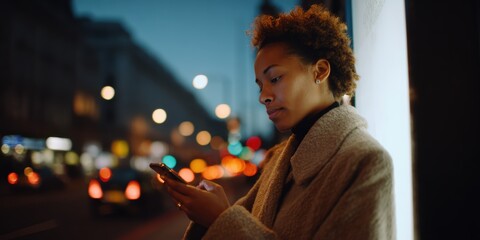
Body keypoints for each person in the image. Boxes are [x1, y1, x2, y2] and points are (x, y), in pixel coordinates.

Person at [162, 4, 395, 239]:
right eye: (260, 85)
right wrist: (214, 211)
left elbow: (234, 224)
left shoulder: (365, 161)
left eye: (274, 78)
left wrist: (220, 218)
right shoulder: (277, 160)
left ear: (320, 71)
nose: (263, 97)